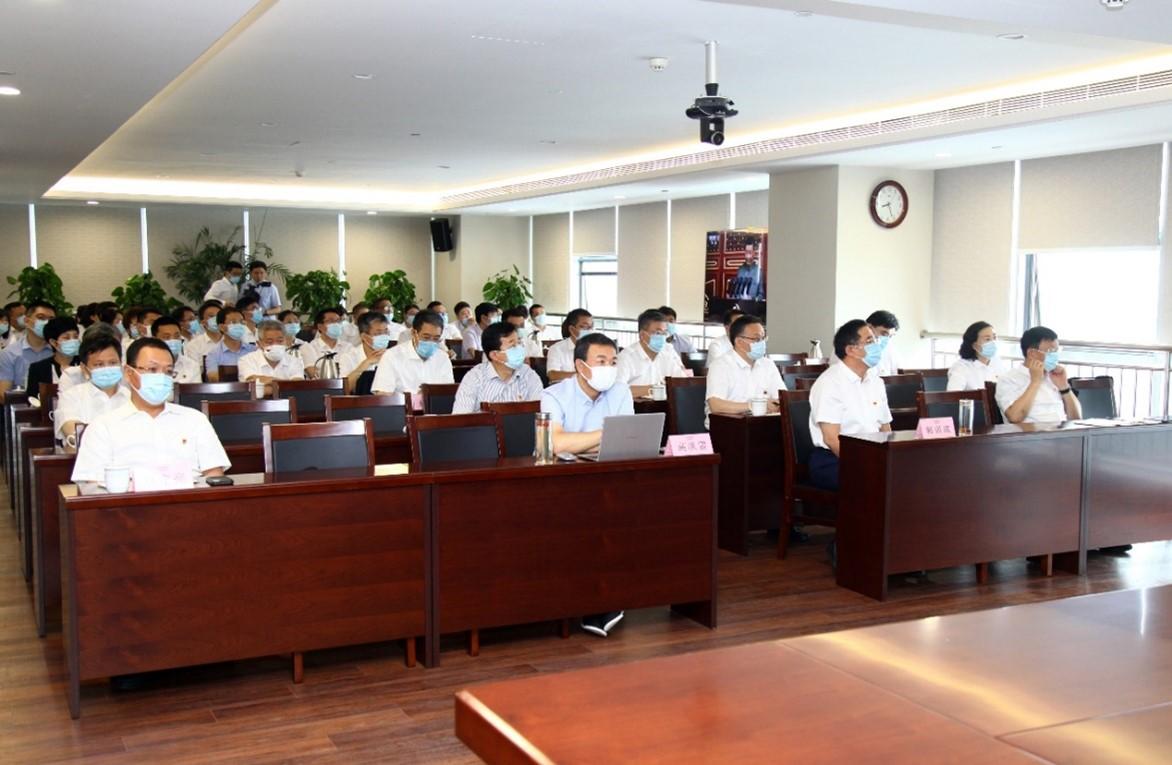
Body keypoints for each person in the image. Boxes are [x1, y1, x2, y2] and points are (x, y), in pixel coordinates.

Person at [540, 333, 633, 638]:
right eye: (601, 361)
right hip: (562, 481)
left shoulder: (621, 391)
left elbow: (628, 439)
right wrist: (607, 433)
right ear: (581, 366)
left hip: (609, 476)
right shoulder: (554, 395)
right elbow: (556, 444)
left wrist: (582, 440)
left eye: (613, 361)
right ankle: (587, 599)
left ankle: (608, 595)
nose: (609, 368)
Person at [70, 337, 230, 486]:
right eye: (152, 369)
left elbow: (214, 475)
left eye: (168, 371)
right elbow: (92, 487)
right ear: (129, 373)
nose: (161, 377)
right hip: (129, 506)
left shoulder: (195, 420)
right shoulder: (102, 427)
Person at [808, 319, 893, 493]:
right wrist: (864, 463)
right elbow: (831, 439)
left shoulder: (876, 381)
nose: (876, 345)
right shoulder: (830, 382)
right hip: (834, 459)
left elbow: (885, 429)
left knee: (906, 474)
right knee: (877, 481)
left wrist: (891, 458)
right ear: (850, 350)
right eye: (870, 341)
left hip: (872, 454)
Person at [55, 327, 131, 448]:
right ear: (84, 369)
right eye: (99, 364)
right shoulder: (71, 396)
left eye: (113, 363)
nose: (107, 368)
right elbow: (72, 431)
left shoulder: (132, 397)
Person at [705, 314, 785, 421]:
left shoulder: (768, 364)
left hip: (763, 424)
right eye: (757, 339)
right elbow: (716, 405)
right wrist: (753, 406)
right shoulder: (720, 365)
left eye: (763, 338)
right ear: (739, 342)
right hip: (727, 426)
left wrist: (777, 404)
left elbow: (782, 398)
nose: (762, 343)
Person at [996, 326, 1081, 425]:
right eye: (1050, 351)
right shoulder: (1008, 379)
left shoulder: (1053, 376)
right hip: (1031, 433)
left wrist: (1064, 387)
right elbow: (1015, 417)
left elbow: (1076, 419)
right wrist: (1035, 382)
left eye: (1057, 351)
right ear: (1032, 353)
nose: (1055, 355)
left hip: (1061, 432)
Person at [453, 322, 543, 414]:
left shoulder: (528, 374)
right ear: (494, 355)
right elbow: (461, 418)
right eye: (512, 346)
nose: (519, 349)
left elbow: (541, 412)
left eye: (519, 343)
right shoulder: (475, 378)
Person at [371, 310, 454, 403]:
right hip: (402, 410)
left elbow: (448, 393)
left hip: (436, 409)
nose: (431, 342)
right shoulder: (392, 356)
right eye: (426, 337)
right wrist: (415, 398)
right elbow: (382, 395)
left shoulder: (442, 358)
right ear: (414, 333)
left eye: (436, 338)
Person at [617, 309, 686, 398]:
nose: (662, 337)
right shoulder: (626, 358)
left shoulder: (666, 355)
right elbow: (617, 390)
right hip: (636, 406)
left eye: (664, 333)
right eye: (658, 333)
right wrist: (654, 389)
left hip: (665, 405)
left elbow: (682, 383)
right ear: (642, 335)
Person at [0, 300, 57, 395]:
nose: (47, 323)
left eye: (51, 320)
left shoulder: (59, 352)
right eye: (41, 318)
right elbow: (4, 394)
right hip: (21, 403)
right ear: (26, 321)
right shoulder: (9, 353)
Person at [238, 319, 306, 392]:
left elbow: (297, 387)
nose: (275, 345)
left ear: (285, 341)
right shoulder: (246, 360)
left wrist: (267, 383)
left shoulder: (295, 361)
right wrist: (285, 385)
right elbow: (251, 385)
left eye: (280, 341)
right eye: (269, 342)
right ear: (259, 344)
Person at [339, 310, 393, 394]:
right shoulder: (349, 357)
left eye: (386, 332)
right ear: (364, 336)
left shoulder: (393, 355)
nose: (384, 336)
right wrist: (366, 363)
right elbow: (344, 389)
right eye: (378, 333)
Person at [26, 316, 81, 393]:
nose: (73, 341)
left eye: (75, 337)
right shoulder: (38, 368)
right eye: (66, 338)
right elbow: (32, 397)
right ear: (53, 342)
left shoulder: (86, 363)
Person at [948, 321, 1007, 391]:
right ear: (975, 345)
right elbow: (953, 394)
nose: (993, 342)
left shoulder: (997, 362)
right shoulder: (961, 367)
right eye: (987, 339)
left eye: (994, 337)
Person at [204, 307, 257, 382]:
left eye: (241, 322)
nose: (239, 325)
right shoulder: (213, 354)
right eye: (233, 322)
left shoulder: (254, 350)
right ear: (221, 327)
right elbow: (213, 377)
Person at [299, 306, 351, 375]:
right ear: (320, 326)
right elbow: (313, 374)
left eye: (338, 321)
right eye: (331, 321)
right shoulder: (309, 347)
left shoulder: (349, 347)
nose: (336, 324)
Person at [547, 308, 594, 382]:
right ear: (572, 329)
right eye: (585, 327)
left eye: (591, 327)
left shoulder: (595, 348)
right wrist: (579, 375)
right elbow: (552, 375)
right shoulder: (557, 349)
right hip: (566, 388)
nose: (589, 331)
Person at [151, 316, 202, 383]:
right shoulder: (145, 365)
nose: (173, 340)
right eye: (166, 337)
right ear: (154, 340)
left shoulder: (192, 366)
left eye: (177, 336)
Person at [864, 310, 900, 376]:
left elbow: (898, 375)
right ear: (869, 327)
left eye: (890, 336)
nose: (886, 339)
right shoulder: (852, 349)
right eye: (884, 334)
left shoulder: (890, 348)